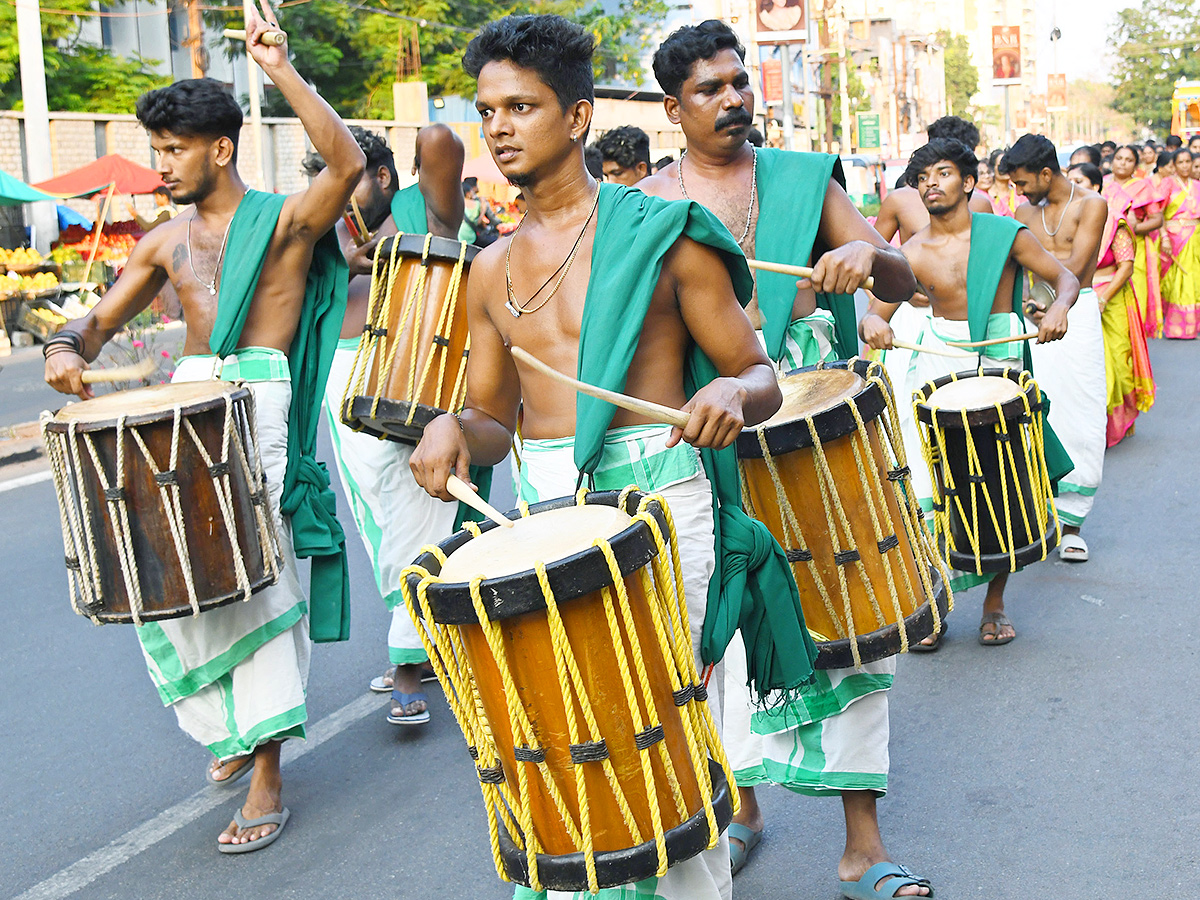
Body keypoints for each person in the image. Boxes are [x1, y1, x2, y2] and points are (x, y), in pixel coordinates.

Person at [408, 15, 801, 900]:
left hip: (661, 505)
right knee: (568, 733)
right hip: (548, 510)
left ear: (578, 117)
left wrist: (733, 395)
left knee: (661, 731)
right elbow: (490, 420)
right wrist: (447, 429)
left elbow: (757, 372)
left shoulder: (667, 234)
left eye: (523, 106)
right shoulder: (489, 269)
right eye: (488, 109)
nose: (500, 126)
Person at [42, 4, 365, 853]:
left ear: (220, 149)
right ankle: (232, 730)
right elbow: (96, 324)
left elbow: (348, 160)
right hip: (179, 407)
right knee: (169, 589)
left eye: (174, 150)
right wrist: (62, 347)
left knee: (256, 585)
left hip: (255, 412)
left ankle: (265, 771)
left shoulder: (289, 224)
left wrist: (281, 71)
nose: (162, 167)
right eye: (156, 151)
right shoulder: (162, 243)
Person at [637, 20, 932, 900]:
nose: (732, 99)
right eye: (708, 89)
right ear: (672, 107)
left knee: (846, 622)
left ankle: (861, 848)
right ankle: (743, 805)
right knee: (716, 625)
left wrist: (866, 254)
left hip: (814, 421)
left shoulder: (806, 178)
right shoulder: (648, 202)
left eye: (737, 82)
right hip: (706, 425)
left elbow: (901, 281)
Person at [860, 138, 1077, 645]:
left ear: (969, 182)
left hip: (998, 364)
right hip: (938, 366)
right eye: (922, 177)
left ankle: (995, 602)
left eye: (943, 173)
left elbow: (1064, 280)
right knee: (932, 487)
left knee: (1002, 484)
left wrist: (1061, 308)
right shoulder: (908, 252)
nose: (931, 183)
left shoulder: (1006, 236)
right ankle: (936, 604)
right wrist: (874, 323)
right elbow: (876, 311)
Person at [306, 123, 470, 725]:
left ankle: (405, 662)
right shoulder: (326, 242)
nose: (335, 192)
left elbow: (439, 142)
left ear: (381, 177)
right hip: (346, 389)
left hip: (422, 393)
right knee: (379, 524)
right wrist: (346, 263)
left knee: (417, 518)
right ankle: (425, 640)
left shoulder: (427, 216)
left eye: (345, 178)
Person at [1001, 134, 1108, 564]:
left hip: (1076, 314)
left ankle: (1073, 524)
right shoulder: (1025, 212)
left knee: (1081, 412)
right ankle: (1041, 514)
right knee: (1037, 411)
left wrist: (1050, 304)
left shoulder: (1090, 205)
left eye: (1024, 183)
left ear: (1047, 173)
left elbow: (1076, 270)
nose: (1020, 193)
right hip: (1032, 320)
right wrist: (1027, 307)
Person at [1068, 163, 1155, 446]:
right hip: (1078, 298)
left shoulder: (1114, 220)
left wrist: (1103, 298)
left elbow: (1126, 267)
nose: (1073, 187)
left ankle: (1115, 424)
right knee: (1082, 365)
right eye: (1069, 181)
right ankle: (1088, 427)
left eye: (1079, 181)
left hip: (1111, 298)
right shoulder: (1065, 220)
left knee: (1116, 360)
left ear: (1095, 187)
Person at [874, 116, 994, 244]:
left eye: (945, 173)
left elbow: (992, 253)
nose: (932, 183)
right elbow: (872, 253)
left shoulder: (981, 203)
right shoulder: (899, 200)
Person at [1106, 145, 1165, 344]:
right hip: (1103, 248)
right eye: (1119, 158)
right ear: (1112, 161)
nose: (1123, 163)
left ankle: (1133, 341)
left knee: (1135, 292)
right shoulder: (1103, 184)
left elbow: (1157, 219)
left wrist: (1132, 228)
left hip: (1134, 247)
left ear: (1135, 165)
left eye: (1128, 160)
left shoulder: (1143, 186)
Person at [1159, 148, 1200, 339]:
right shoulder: (1168, 184)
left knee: (1194, 281)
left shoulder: (1197, 185)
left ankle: (1195, 326)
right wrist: (1164, 237)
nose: (1185, 166)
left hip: (1196, 239)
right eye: (1180, 162)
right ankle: (1177, 328)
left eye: (1187, 162)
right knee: (1176, 282)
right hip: (1174, 238)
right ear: (1174, 165)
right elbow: (1158, 213)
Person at [460, 176, 499, 245]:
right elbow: (488, 218)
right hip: (471, 236)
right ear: (469, 192)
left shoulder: (457, 202)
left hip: (459, 236)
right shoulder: (478, 202)